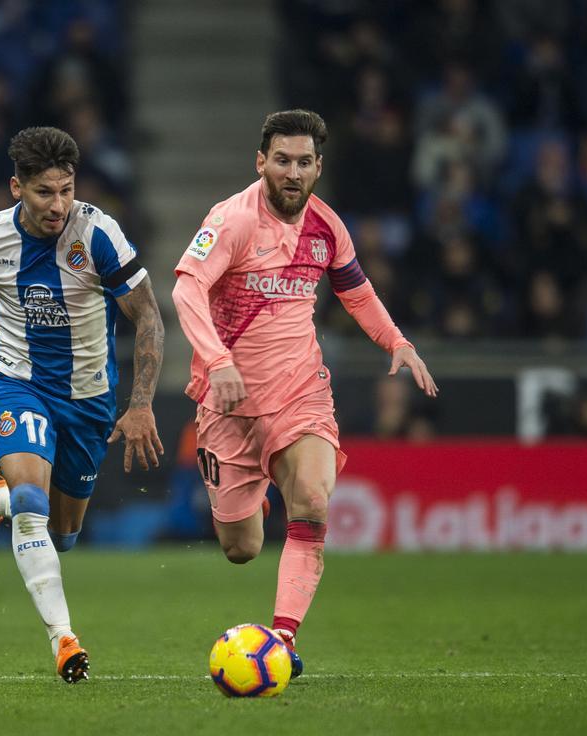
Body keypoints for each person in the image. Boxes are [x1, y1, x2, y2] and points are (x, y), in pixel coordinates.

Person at [170, 110, 437, 678]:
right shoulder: (233, 220)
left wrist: (397, 341)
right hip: (230, 401)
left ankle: (282, 641)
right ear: (261, 161)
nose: (293, 172)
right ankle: (259, 488)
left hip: (300, 391)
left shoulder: (327, 227)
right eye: (283, 160)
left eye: (304, 162)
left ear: (319, 167)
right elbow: (187, 286)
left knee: (313, 501)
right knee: (241, 547)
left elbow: (356, 292)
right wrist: (217, 361)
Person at [0, 127, 165, 683]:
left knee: (63, 533)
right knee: (32, 501)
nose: (58, 205)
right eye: (45, 192)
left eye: (67, 190)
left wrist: (140, 404)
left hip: (90, 401)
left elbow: (147, 316)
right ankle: (64, 639)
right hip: (17, 384)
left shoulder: (100, 235)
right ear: (16, 187)